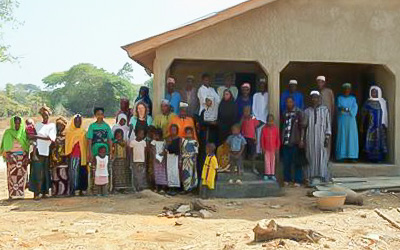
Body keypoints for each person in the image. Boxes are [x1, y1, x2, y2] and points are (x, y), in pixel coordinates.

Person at [302, 91, 331, 185]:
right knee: (310, 156)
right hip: (310, 138)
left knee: (322, 156)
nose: (314, 99)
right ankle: (310, 178)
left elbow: (328, 125)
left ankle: (322, 178)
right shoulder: (307, 111)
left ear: (319, 99)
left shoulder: (325, 110)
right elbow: (304, 126)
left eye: (316, 97)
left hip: (322, 137)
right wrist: (302, 139)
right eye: (313, 97)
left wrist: (327, 137)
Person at [29, 105, 56, 200]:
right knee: (36, 172)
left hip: (46, 151)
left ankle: (44, 192)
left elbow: (51, 138)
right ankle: (36, 193)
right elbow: (32, 139)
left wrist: (37, 136)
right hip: (37, 151)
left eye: (47, 114)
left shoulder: (52, 126)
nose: (45, 116)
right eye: (43, 114)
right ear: (41, 115)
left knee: (45, 172)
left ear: (49, 114)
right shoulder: (37, 125)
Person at [0, 116, 29, 199]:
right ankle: (12, 195)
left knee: (21, 177)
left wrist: (26, 157)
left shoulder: (23, 133)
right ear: (12, 123)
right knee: (11, 177)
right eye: (15, 123)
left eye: (19, 123)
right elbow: (5, 146)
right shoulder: (8, 132)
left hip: (22, 158)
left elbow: (26, 147)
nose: (17, 125)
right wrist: (8, 156)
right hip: (11, 157)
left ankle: (20, 195)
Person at [87, 107, 113, 194]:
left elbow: (109, 139)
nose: (100, 116)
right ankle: (94, 189)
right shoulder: (92, 126)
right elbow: (89, 140)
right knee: (94, 169)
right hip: (94, 151)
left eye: (102, 114)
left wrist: (110, 151)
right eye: (98, 114)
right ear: (95, 115)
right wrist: (89, 152)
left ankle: (105, 189)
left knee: (105, 169)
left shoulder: (106, 126)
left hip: (105, 152)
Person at [361, 86, 388, 162]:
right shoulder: (368, 102)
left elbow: (385, 114)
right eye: (372, 92)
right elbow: (363, 114)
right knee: (370, 142)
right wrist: (362, 125)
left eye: (375, 92)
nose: (373, 93)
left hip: (380, 127)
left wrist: (384, 124)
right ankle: (370, 158)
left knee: (379, 142)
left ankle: (379, 158)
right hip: (370, 126)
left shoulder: (382, 102)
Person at [281, 97, 304, 187]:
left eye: (290, 102)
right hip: (286, 141)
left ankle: (298, 180)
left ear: (294, 102)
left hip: (295, 141)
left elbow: (302, 127)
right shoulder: (284, 113)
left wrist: (301, 139)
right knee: (286, 162)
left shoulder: (298, 112)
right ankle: (287, 179)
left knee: (297, 162)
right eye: (287, 102)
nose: (289, 103)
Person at [65, 114, 88, 196]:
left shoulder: (84, 132)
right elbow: (68, 144)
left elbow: (86, 144)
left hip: (83, 155)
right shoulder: (69, 132)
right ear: (73, 122)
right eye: (76, 121)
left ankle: (82, 189)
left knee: (83, 172)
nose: (78, 123)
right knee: (74, 173)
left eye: (79, 121)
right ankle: (74, 189)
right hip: (74, 155)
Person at [336, 83, 359, 161]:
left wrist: (346, 109)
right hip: (342, 120)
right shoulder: (340, 98)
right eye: (345, 88)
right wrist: (347, 109)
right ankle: (342, 156)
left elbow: (354, 109)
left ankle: (352, 156)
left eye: (348, 89)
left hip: (351, 121)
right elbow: (339, 108)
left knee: (351, 137)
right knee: (342, 136)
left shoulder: (353, 99)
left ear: (350, 90)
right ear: (343, 90)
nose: (346, 90)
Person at [50, 117, 69, 197]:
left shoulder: (67, 135)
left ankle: (64, 191)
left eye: (61, 125)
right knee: (55, 177)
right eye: (58, 125)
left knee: (63, 176)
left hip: (64, 159)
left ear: (64, 126)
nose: (59, 127)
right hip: (54, 158)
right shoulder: (52, 135)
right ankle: (55, 192)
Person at [241, 106, 260, 174]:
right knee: (243, 153)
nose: (246, 113)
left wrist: (256, 138)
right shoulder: (243, 118)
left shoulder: (253, 117)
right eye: (244, 111)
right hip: (244, 138)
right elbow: (240, 126)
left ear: (250, 111)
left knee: (253, 154)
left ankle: (253, 167)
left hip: (252, 138)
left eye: (247, 111)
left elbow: (256, 128)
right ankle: (241, 168)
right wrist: (242, 119)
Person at [260, 114, 280, 181]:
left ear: (273, 121)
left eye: (271, 121)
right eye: (268, 121)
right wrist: (262, 148)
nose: (270, 123)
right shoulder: (264, 129)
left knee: (273, 161)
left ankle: (272, 174)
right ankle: (267, 174)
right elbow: (262, 139)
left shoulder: (275, 129)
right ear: (266, 121)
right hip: (266, 149)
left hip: (273, 149)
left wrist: (277, 148)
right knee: (267, 161)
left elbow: (278, 139)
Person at [253, 78, 269, 155]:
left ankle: (264, 154)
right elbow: (253, 108)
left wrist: (264, 120)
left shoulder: (268, 95)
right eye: (260, 85)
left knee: (265, 138)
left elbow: (268, 108)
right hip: (257, 120)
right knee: (257, 137)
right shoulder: (256, 95)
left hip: (266, 120)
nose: (262, 87)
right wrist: (257, 119)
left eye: (263, 85)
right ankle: (257, 153)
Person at [181, 127, 199, 192]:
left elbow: (196, 153)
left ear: (192, 133)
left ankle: (190, 189)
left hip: (191, 160)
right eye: (187, 133)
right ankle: (185, 189)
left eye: (189, 133)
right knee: (185, 173)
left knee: (191, 174)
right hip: (185, 160)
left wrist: (195, 161)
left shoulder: (195, 142)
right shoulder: (183, 141)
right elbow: (181, 151)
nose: (188, 134)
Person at [151, 128, 168, 192]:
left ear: (159, 135)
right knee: (156, 173)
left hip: (163, 159)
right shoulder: (153, 141)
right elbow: (153, 150)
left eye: (156, 135)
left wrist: (162, 154)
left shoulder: (164, 141)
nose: (154, 136)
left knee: (163, 173)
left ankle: (163, 188)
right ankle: (157, 187)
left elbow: (165, 149)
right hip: (156, 159)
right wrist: (156, 157)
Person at [166, 124, 181, 195]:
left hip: (176, 157)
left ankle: (175, 188)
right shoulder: (168, 138)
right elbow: (166, 147)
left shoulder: (179, 138)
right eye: (172, 130)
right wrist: (169, 141)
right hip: (169, 156)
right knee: (170, 172)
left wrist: (180, 159)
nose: (173, 131)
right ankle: (170, 188)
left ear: (177, 131)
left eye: (174, 130)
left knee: (175, 172)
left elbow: (180, 149)